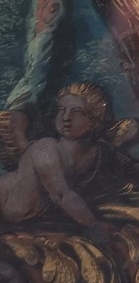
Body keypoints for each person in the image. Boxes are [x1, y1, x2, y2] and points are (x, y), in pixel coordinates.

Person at [0, 83, 112, 228]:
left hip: (32, 220)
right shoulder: (45, 148)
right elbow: (62, 195)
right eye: (61, 110)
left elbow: (130, 165)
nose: (66, 117)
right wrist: (94, 224)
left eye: (77, 112)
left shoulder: (99, 152)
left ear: (95, 119)